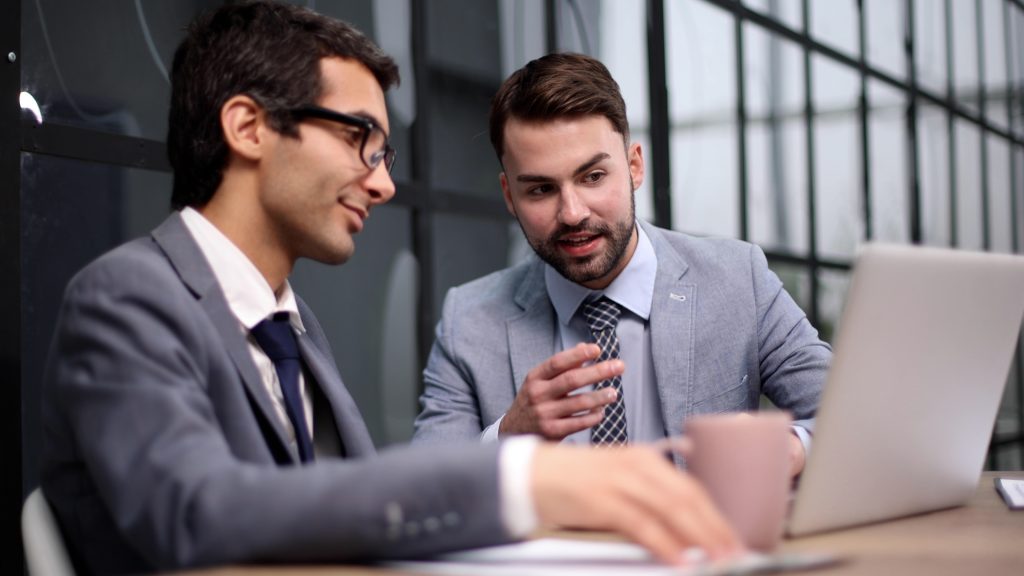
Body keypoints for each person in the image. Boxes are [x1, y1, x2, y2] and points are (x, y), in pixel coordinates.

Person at [38, 3, 742, 574]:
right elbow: (194, 511)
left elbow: (346, 515)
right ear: (248, 127)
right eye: (359, 140)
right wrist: (522, 480)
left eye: (385, 153)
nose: (383, 182)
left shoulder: (292, 325)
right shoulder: (126, 297)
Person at [413, 53, 831, 479]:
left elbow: (850, 419)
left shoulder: (739, 280)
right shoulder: (467, 321)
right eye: (540, 189)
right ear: (509, 196)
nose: (573, 213)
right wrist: (507, 438)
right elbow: (420, 485)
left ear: (634, 166)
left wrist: (794, 449)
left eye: (593, 177)